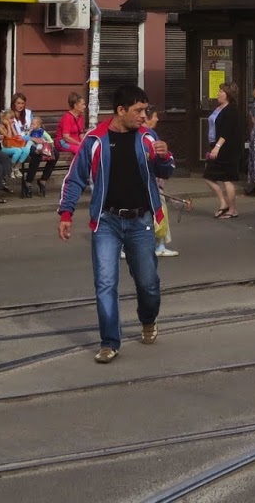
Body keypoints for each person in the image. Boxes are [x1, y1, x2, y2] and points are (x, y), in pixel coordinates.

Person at [58, 84, 174, 364]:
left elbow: (166, 172)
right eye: (138, 111)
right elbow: (75, 178)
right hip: (107, 222)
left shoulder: (148, 137)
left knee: (147, 284)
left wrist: (164, 156)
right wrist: (66, 213)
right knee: (105, 283)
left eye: (145, 110)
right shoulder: (95, 140)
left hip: (141, 221)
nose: (144, 116)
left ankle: (148, 319)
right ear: (121, 111)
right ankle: (110, 341)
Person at [141, 105, 178, 257]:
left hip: (153, 182)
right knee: (159, 212)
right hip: (152, 184)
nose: (157, 119)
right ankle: (159, 245)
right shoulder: (148, 135)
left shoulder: (150, 134)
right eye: (154, 116)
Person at [202, 83, 243, 217]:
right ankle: (224, 203)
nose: (218, 94)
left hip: (227, 148)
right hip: (216, 145)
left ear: (228, 95)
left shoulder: (231, 110)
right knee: (209, 176)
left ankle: (232, 210)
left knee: (226, 178)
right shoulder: (219, 108)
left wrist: (217, 147)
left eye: (221, 92)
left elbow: (226, 131)